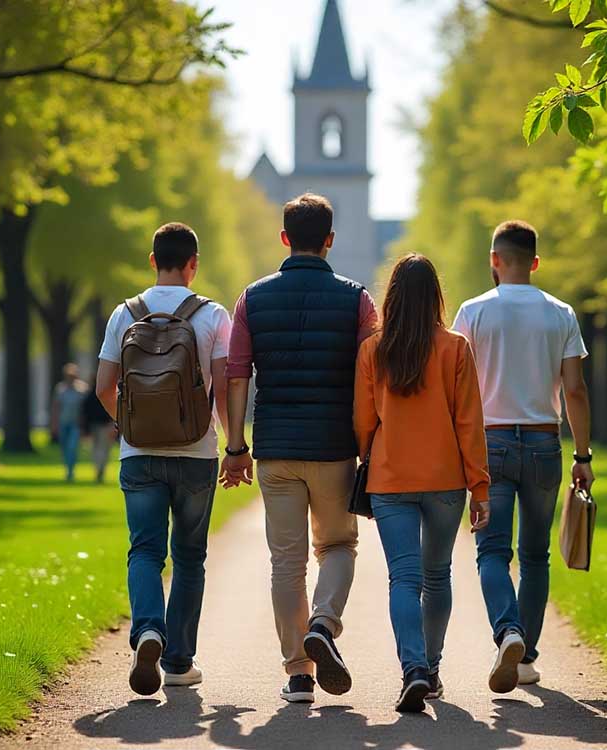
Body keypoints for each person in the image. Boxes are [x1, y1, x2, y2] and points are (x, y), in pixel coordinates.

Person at [221, 193, 378, 704]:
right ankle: (324, 624)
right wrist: (370, 442)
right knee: (338, 546)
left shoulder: (252, 299)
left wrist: (236, 446)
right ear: (329, 240)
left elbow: (237, 376)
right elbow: (371, 376)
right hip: (334, 446)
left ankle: (298, 674)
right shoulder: (358, 300)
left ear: (284, 238)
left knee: (286, 563)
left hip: (276, 448)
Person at [452, 220, 594, 689]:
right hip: (542, 443)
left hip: (488, 444)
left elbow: (456, 387)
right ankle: (526, 656)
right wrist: (583, 456)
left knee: (492, 551)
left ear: (494, 260)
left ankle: (507, 631)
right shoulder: (561, 314)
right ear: (535, 262)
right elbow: (575, 390)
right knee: (535, 556)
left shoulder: (473, 312)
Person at [96, 222, 232, 695]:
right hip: (196, 453)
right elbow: (224, 389)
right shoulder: (212, 315)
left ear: (153, 261)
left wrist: (132, 424)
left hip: (139, 456)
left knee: (144, 551)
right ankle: (178, 662)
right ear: (194, 264)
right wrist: (235, 446)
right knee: (190, 557)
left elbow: (104, 387)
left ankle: (148, 631)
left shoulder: (124, 314)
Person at [353, 253, 491, 713]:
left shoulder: (374, 350)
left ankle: (412, 668)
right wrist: (480, 487)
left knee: (404, 578)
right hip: (445, 479)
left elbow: (363, 422)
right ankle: (431, 669)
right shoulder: (455, 348)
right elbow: (469, 422)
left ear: (392, 298)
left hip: (390, 477)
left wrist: (370, 456)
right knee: (437, 575)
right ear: (436, 297)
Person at [50, 364, 87, 482]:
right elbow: (56, 407)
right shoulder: (60, 389)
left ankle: (71, 471)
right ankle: (67, 468)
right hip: (63, 422)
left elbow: (85, 409)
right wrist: (54, 424)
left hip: (76, 424)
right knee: (64, 448)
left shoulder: (82, 389)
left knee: (72, 447)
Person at [83, 386, 115, 484]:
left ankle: (98, 469)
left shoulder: (90, 395)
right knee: (103, 449)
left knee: (97, 449)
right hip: (104, 425)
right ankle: (100, 469)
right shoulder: (107, 393)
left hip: (96, 425)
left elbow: (86, 411)